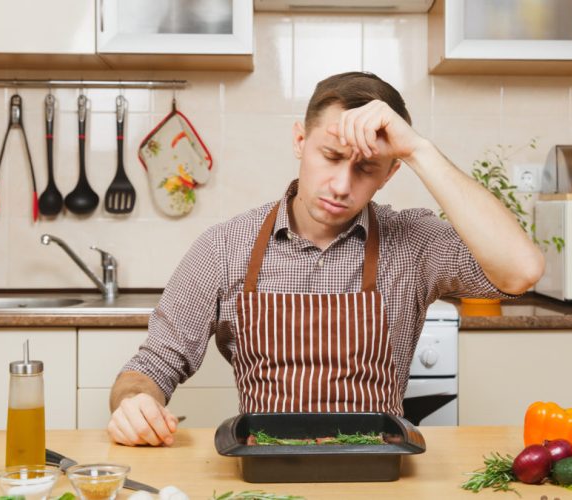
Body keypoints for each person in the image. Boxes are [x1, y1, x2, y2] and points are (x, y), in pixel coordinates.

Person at [107, 71, 544, 446]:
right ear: (300, 140)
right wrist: (134, 403)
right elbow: (150, 367)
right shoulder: (225, 247)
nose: (340, 185)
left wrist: (418, 151)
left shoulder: (413, 243)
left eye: (366, 168)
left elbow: (521, 272)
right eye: (331, 156)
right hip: (266, 475)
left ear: (391, 173)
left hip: (380, 475)